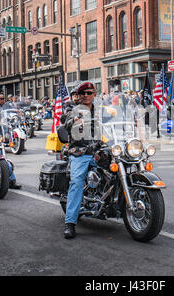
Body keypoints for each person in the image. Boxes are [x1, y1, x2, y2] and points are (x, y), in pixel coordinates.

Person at [62, 82, 100, 239]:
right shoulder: (74, 109)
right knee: (77, 181)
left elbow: (116, 121)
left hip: (99, 149)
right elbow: (67, 122)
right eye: (83, 93)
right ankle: (70, 223)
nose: (86, 95)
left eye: (89, 92)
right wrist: (75, 121)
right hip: (80, 151)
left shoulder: (100, 109)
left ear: (94, 94)